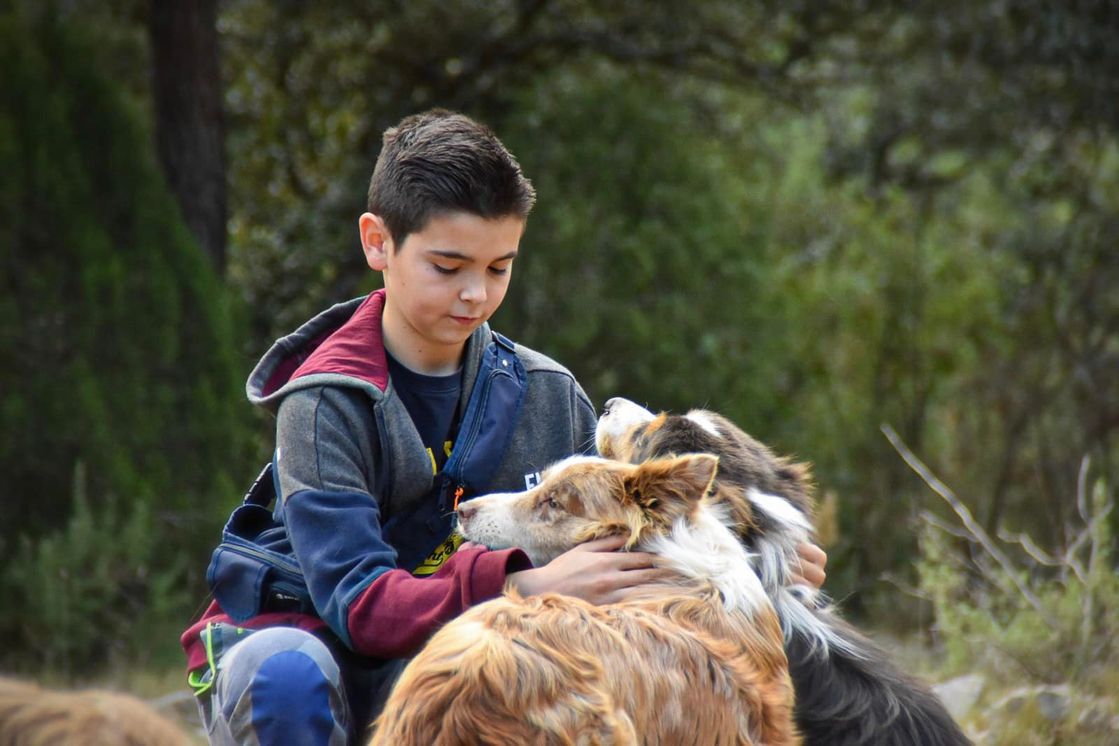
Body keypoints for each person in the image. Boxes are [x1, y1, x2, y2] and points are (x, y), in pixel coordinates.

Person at [181, 109, 826, 745]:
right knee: (285, 678)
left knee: (491, 673)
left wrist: (763, 560)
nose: (475, 296)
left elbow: (632, 533)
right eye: (447, 266)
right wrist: (522, 584)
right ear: (378, 242)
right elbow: (361, 605)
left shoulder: (549, 393)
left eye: (498, 269)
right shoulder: (322, 405)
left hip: (455, 651)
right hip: (314, 644)